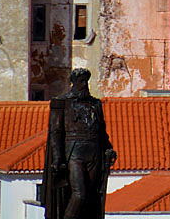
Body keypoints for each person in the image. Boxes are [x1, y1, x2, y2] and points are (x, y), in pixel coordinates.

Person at [41, 69, 116, 219]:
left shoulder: (95, 104)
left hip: (94, 152)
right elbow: (56, 132)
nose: (85, 85)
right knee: (79, 193)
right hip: (74, 152)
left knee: (90, 195)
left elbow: (102, 130)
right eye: (82, 81)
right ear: (74, 83)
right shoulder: (61, 103)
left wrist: (108, 147)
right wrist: (57, 158)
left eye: (86, 81)